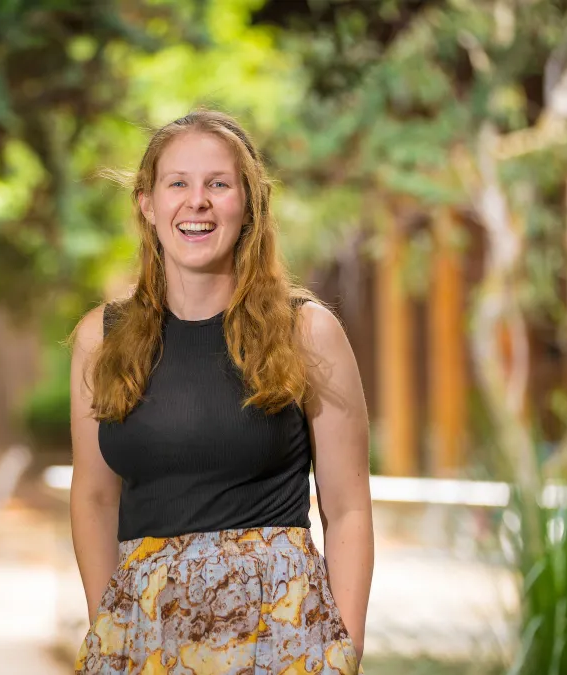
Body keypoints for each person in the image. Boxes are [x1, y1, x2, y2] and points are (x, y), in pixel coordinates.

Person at [68, 110, 374, 675]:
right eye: (177, 184)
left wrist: (343, 651)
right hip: (145, 637)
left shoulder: (306, 333)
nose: (197, 202)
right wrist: (108, 627)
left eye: (218, 184)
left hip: (280, 641)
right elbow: (93, 497)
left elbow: (348, 506)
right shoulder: (101, 338)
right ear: (147, 204)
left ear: (249, 204)